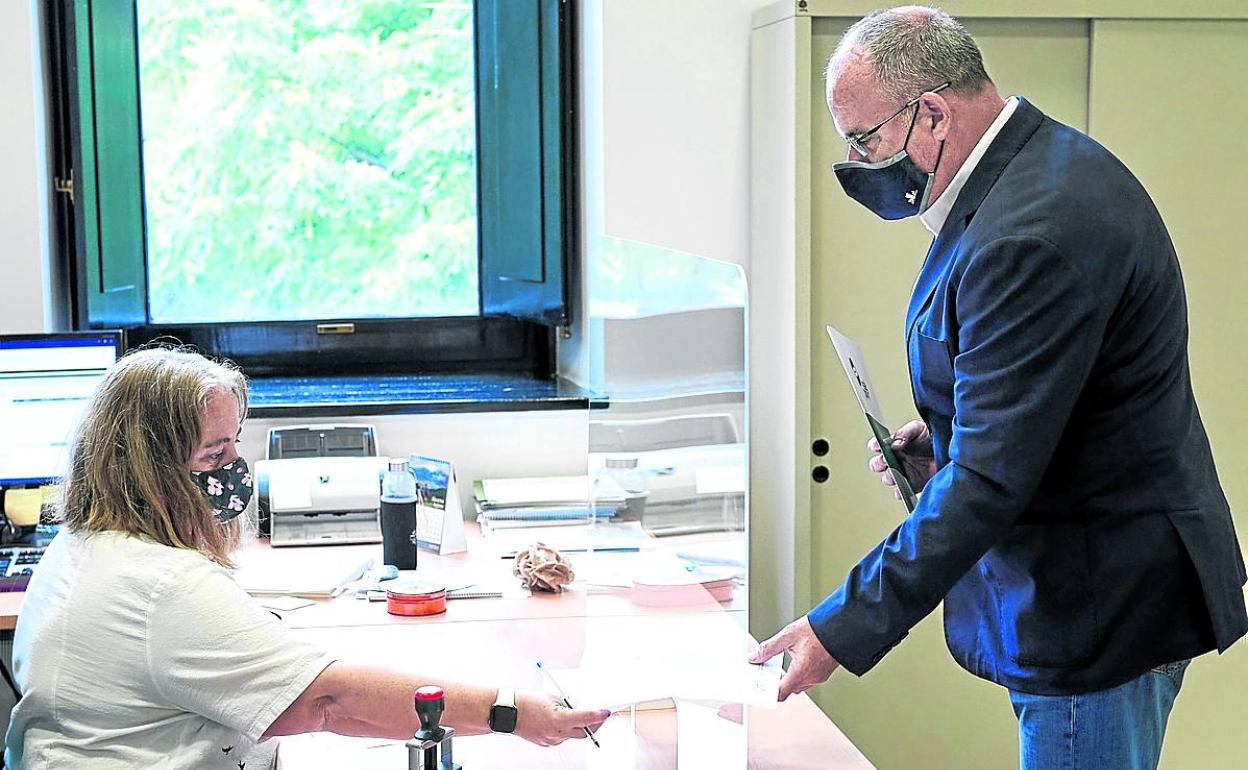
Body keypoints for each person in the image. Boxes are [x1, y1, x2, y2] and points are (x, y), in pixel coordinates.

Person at [750, 6, 1247, 769]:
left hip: (1098, 610)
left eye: (865, 139)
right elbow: (1033, 395)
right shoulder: (1034, 166)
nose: (857, 160)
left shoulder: (1030, 232)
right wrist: (947, 434)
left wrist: (840, 627)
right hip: (1091, 578)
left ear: (934, 116)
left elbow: (988, 478)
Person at [3, 347, 609, 769]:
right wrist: (511, 712)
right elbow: (328, 701)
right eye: (214, 455)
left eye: (233, 444)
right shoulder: (161, 585)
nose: (232, 469)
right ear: (151, 470)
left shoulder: (85, 543)